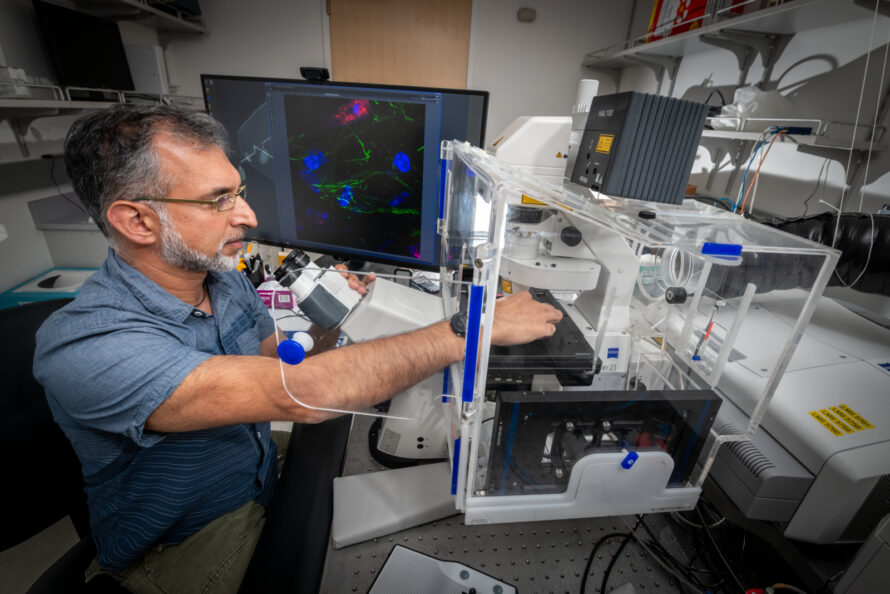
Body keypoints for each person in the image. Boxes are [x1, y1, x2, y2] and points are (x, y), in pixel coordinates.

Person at [32, 103, 562, 593]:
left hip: (256, 475)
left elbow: (281, 366)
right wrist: (471, 328)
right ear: (138, 221)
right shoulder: (88, 345)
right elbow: (300, 394)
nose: (247, 215)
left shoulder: (221, 279)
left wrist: (336, 318)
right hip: (180, 545)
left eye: (238, 191)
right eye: (219, 200)